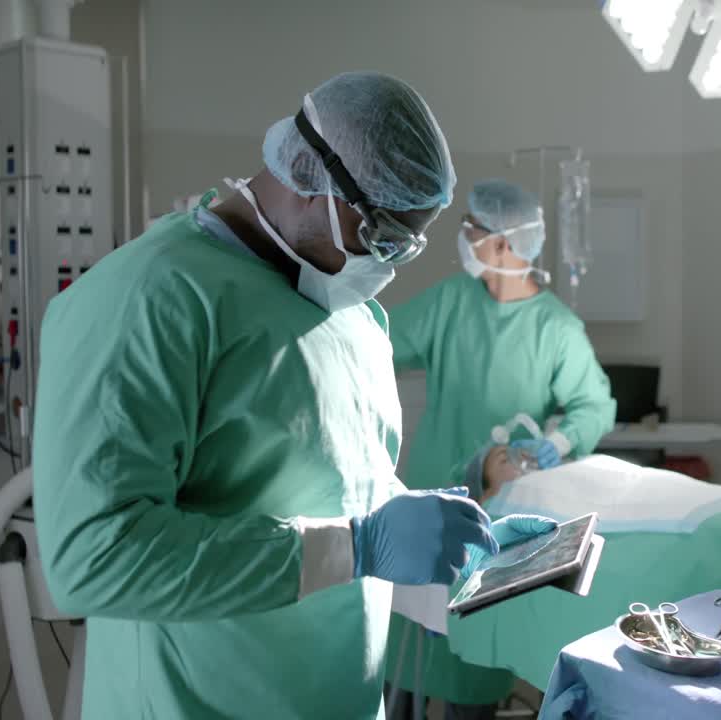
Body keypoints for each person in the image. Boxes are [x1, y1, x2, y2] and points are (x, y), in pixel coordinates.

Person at [32, 72, 556, 719]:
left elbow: (340, 490)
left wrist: (450, 535)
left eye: (406, 246)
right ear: (315, 185)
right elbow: (94, 559)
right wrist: (360, 545)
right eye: (383, 236)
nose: (387, 264)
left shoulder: (350, 309)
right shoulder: (146, 299)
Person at [383, 179, 616, 718]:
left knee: (474, 673)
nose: (463, 237)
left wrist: (559, 440)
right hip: (427, 502)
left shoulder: (555, 327)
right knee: (404, 671)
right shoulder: (449, 302)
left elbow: (594, 405)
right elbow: (381, 341)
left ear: (504, 244)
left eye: (473, 230)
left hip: (496, 520)